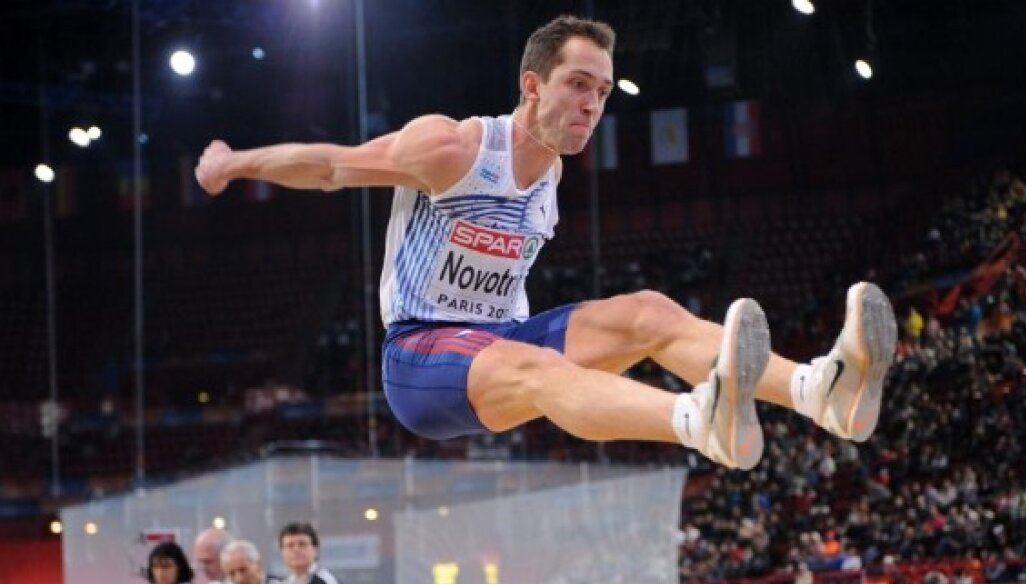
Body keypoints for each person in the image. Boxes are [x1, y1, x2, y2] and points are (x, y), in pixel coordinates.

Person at [194, 15, 896, 470]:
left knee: (649, 311)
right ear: (532, 85)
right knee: (538, 366)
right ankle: (696, 419)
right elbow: (330, 167)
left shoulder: (552, 174)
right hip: (421, 360)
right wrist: (233, 163)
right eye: (578, 84)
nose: (592, 103)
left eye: (603, 91)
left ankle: (818, 391)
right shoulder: (453, 147)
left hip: (503, 342)